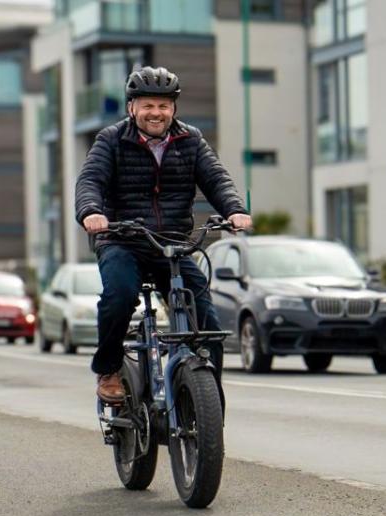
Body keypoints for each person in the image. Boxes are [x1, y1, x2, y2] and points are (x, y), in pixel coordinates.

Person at [75, 66, 253, 404]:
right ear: (132, 108)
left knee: (205, 319)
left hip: (173, 243)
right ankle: (109, 368)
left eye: (163, 106)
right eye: (148, 106)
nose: (156, 113)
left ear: (173, 109)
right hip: (121, 239)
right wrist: (92, 213)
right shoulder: (111, 139)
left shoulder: (191, 140)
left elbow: (216, 178)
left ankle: (206, 395)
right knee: (120, 295)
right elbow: (90, 181)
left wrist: (234, 209)